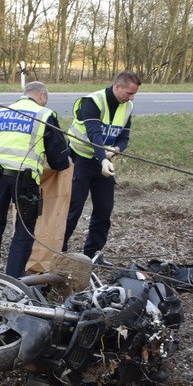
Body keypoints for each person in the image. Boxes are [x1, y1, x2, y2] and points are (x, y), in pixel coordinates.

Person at [0, 81, 69, 277]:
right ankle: (13, 280)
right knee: (24, 231)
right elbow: (59, 162)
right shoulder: (44, 116)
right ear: (42, 96)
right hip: (26, 181)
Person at [62, 70, 141, 262]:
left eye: (134, 94)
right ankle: (58, 250)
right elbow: (94, 134)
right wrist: (103, 159)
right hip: (79, 158)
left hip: (103, 160)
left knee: (104, 210)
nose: (131, 97)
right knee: (73, 209)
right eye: (129, 93)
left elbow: (124, 137)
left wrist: (115, 149)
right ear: (117, 86)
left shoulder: (127, 107)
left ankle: (91, 255)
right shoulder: (92, 102)